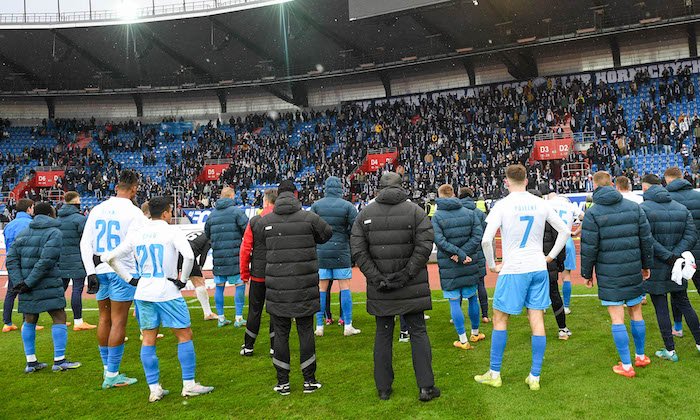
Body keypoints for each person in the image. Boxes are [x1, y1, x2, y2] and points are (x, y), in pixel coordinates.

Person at [102, 196, 214, 402]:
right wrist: (182, 280)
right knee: (184, 335)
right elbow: (189, 256)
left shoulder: (137, 233)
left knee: (148, 338)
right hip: (167, 290)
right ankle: (189, 384)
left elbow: (109, 257)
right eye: (170, 211)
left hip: (144, 291)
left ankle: (154, 389)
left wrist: (130, 279)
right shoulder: (171, 231)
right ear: (165, 213)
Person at [475, 164, 570, 391]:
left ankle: (495, 373)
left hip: (514, 268)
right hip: (537, 267)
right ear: (527, 180)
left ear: (506, 182)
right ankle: (534, 376)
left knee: (500, 319)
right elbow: (565, 231)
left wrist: (492, 265)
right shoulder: (540, 203)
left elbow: (486, 240)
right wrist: (549, 257)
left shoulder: (502, 205)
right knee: (536, 319)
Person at [351, 172, 440, 402]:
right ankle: (426, 387)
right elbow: (424, 246)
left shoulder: (365, 214)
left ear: (379, 188)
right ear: (401, 187)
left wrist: (376, 277)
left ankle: (383, 388)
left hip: (384, 287)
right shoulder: (415, 211)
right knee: (418, 332)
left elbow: (359, 251)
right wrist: (406, 274)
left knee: (383, 334)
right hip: (411, 285)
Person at [258, 180, 332, 395]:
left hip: (277, 287)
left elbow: (261, 241)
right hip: (303, 286)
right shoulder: (309, 218)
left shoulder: (266, 221)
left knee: (280, 333)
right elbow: (327, 234)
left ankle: (283, 383)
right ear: (296, 194)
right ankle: (309, 381)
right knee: (305, 331)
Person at [581, 171, 654, 378]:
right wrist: (646, 265)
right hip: (632, 269)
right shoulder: (634, 208)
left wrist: (587, 274)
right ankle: (640, 356)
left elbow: (589, 248)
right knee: (636, 312)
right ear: (612, 184)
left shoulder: (593, 213)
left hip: (609, 272)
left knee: (617, 318)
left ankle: (627, 365)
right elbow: (645, 240)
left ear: (594, 186)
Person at [80, 169, 147, 388]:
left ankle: (106, 370)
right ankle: (112, 374)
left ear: (116, 187)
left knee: (104, 319)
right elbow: (135, 247)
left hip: (99, 271)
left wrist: (90, 271)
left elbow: (85, 244)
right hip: (122, 270)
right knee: (119, 321)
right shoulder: (135, 213)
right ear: (134, 188)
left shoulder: (98, 209)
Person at [7, 202, 81, 373]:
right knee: (59, 316)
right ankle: (59, 360)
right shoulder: (54, 232)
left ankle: (31, 362)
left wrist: (21, 282)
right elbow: (47, 261)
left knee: (30, 319)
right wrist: (27, 282)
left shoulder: (24, 232)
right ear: (50, 214)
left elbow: (11, 259)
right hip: (46, 283)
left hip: (27, 285)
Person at [640, 174, 700, 361]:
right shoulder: (681, 209)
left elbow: (646, 239)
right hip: (676, 264)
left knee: (661, 307)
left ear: (647, 189)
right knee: (684, 302)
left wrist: (669, 257)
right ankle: (699, 342)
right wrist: (674, 256)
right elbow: (691, 236)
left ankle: (670, 350)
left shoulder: (644, 210)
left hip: (660, 264)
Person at [431, 184, 484, 349]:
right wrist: (464, 254)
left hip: (450, 263)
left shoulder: (437, 217)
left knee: (454, 300)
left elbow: (439, 241)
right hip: (468, 261)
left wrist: (458, 255)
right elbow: (477, 236)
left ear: (439, 195)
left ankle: (463, 340)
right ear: (454, 193)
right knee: (472, 297)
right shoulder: (469, 213)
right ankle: (475, 333)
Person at [309, 176, 360, 337]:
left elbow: (311, 228)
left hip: (322, 252)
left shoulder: (316, 206)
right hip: (341, 251)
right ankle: (348, 325)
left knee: (322, 289)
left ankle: (319, 326)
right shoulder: (348, 206)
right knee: (344, 287)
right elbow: (355, 229)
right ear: (340, 188)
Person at [239, 188, 277, 356]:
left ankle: (248, 346)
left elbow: (245, 249)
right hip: (277, 273)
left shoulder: (255, 221)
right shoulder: (282, 219)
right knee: (276, 310)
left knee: (254, 310)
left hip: (259, 274)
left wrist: (244, 274)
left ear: (266, 201)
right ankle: (275, 346)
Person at [204, 187, 249, 328]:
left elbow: (207, 234)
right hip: (235, 255)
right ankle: (239, 317)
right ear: (230, 196)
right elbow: (247, 230)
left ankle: (221, 318)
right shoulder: (237, 212)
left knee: (219, 286)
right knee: (239, 285)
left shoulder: (212, 215)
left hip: (218, 256)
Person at [664, 167, 700, 336]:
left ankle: (678, 327)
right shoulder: (698, 196)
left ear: (668, 180)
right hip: (698, 252)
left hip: (679, 253)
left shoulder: (668, 199)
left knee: (678, 294)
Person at [532, 191, 571, 340]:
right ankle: (562, 329)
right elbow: (559, 239)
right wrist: (559, 262)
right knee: (554, 294)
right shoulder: (548, 215)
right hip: (547, 263)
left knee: (533, 297)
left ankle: (537, 331)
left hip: (531, 263)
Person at [57, 192, 95, 331]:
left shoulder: (58, 219)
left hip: (62, 259)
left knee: (61, 289)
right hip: (78, 259)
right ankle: (78, 321)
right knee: (77, 290)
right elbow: (87, 241)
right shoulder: (80, 219)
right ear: (76, 201)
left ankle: (59, 320)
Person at [547, 193, 583, 314]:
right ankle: (566, 306)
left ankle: (545, 305)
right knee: (566, 275)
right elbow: (586, 217)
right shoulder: (570, 205)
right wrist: (577, 232)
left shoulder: (548, 204)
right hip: (566, 240)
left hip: (551, 240)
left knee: (547, 275)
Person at [2, 198, 35, 333]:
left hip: (11, 260)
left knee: (11, 291)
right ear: (28, 209)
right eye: (32, 207)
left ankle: (7, 322)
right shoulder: (30, 223)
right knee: (26, 290)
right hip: (25, 260)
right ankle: (26, 322)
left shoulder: (9, 225)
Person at [459, 187, 490, 323]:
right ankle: (484, 315)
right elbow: (486, 233)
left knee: (458, 284)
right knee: (480, 284)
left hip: (462, 252)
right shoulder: (479, 213)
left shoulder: (457, 213)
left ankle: (457, 316)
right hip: (478, 252)